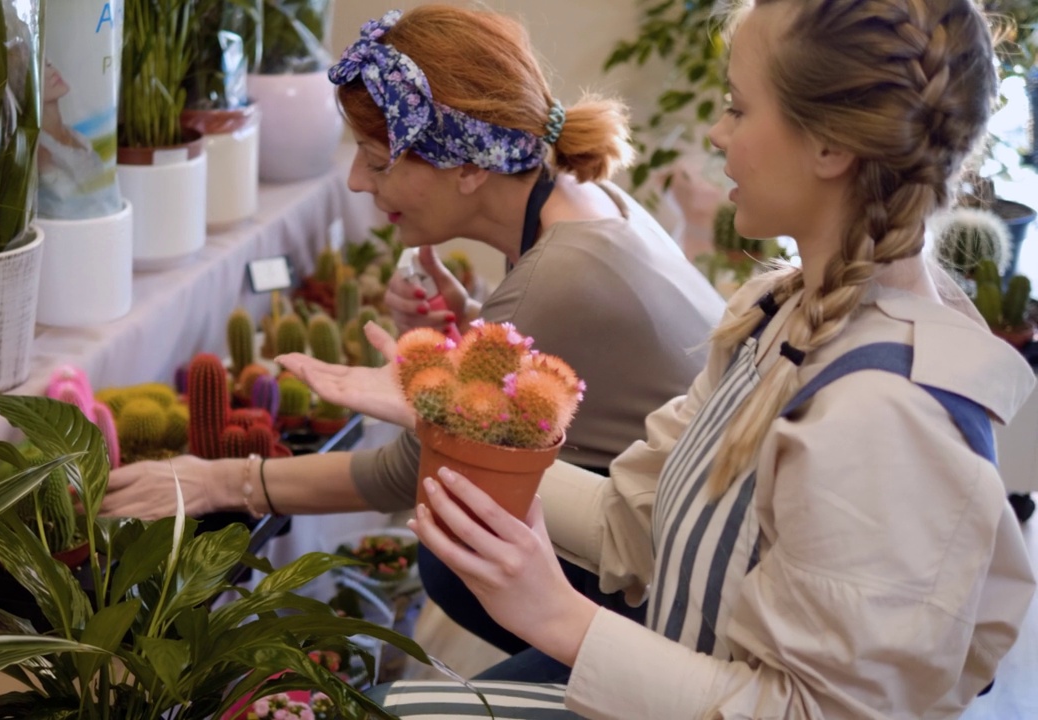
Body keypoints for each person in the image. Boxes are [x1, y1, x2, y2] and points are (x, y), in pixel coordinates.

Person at [280, 0, 1038, 716]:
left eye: (739, 107)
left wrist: (559, 618)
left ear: (831, 145)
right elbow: (636, 515)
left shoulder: (883, 414)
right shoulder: (782, 309)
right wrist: (454, 414)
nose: (715, 132)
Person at [99, 5, 724, 681]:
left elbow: (405, 472)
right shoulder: (583, 196)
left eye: (376, 160)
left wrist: (221, 479)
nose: (356, 182)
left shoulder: (554, 277)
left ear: (466, 167)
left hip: (685, 623)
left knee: (445, 535)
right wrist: (479, 328)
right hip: (684, 555)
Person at [37, 60, 121, 220]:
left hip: (102, 220)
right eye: (40, 69)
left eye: (48, 65)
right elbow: (68, 203)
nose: (51, 72)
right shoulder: (42, 151)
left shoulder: (76, 135)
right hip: (74, 229)